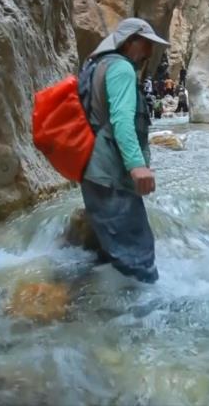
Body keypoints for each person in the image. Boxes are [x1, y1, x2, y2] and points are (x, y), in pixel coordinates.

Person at [81, 17, 169, 283]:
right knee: (138, 255)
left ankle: (109, 312)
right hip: (111, 174)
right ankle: (144, 316)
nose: (150, 52)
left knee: (112, 251)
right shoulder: (120, 69)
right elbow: (121, 120)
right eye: (146, 44)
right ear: (130, 42)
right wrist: (136, 165)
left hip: (94, 172)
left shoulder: (98, 65)